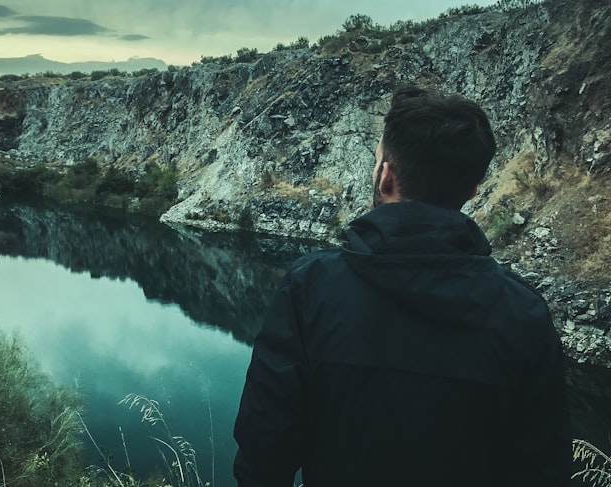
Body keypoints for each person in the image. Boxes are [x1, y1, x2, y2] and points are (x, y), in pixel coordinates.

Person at [233, 86, 571, 486]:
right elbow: (544, 469)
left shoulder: (310, 289)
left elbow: (264, 449)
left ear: (385, 176)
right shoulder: (524, 313)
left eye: (378, 161)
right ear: (471, 191)